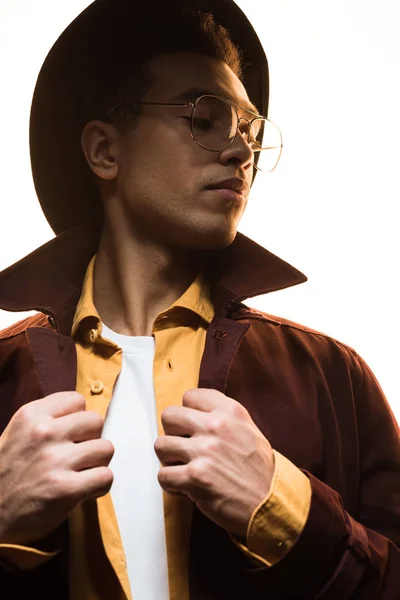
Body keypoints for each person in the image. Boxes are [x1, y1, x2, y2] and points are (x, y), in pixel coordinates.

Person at [0, 0, 398, 598]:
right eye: (204, 117)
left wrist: (284, 508)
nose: (240, 151)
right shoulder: (4, 375)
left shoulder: (332, 376)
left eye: (249, 130)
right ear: (105, 152)